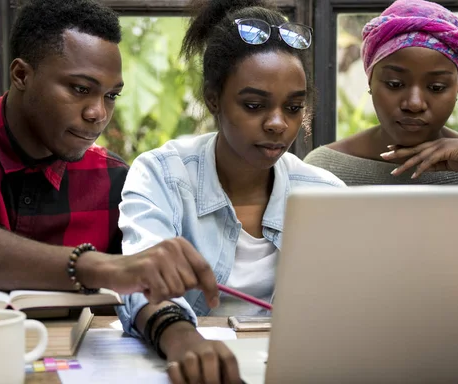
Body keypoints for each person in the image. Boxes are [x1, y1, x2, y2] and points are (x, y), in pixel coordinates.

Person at [0, 0, 219, 309]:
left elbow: (143, 299)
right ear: (21, 75)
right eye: (81, 89)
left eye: (111, 96)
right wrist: (99, 268)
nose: (98, 113)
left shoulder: (115, 182)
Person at [116, 0, 345, 382]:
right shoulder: (162, 174)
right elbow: (141, 280)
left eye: (293, 108)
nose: (277, 124)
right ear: (213, 98)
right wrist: (182, 338)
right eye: (254, 105)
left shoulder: (326, 195)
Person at [304, 0, 458, 186]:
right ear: (371, 81)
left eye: (436, 88)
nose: (414, 103)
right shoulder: (323, 169)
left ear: (457, 88)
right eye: (394, 84)